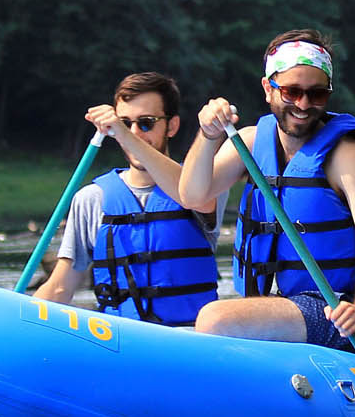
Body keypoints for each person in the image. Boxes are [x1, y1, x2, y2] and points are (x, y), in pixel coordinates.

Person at [176, 29, 355, 352]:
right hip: (281, 305)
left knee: (213, 319)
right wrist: (208, 136)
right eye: (291, 91)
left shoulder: (346, 155)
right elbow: (193, 196)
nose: (303, 104)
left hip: (336, 314)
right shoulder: (248, 142)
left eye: (316, 94)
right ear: (268, 88)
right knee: (213, 319)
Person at [35, 72, 219, 325]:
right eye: (125, 123)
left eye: (146, 122)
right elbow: (59, 288)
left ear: (172, 126)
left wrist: (124, 135)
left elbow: (189, 194)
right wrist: (15, 322)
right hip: (123, 345)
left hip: (188, 342)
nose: (134, 133)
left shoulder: (206, 186)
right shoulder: (91, 199)